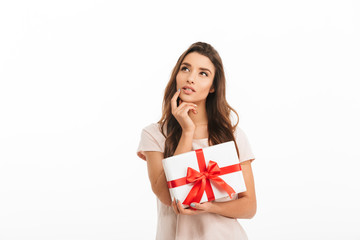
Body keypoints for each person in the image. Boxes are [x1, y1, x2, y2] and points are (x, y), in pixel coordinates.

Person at [136, 42, 256, 240]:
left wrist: (210, 207)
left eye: (203, 73)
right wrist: (187, 131)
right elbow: (167, 197)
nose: (190, 78)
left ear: (213, 87)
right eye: (185, 69)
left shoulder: (233, 136)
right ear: (176, 75)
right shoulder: (154, 135)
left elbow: (249, 206)